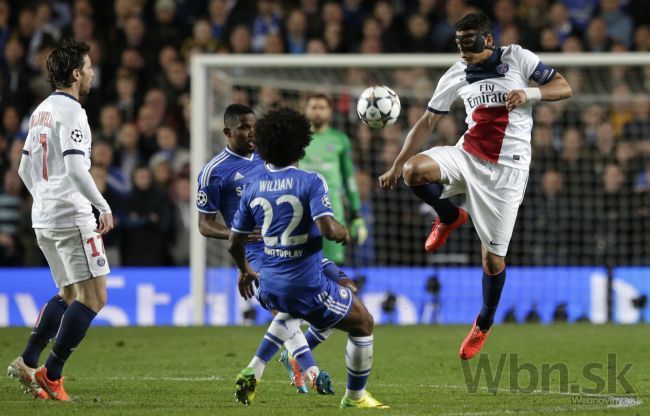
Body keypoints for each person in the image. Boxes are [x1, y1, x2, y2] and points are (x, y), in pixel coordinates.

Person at [379, 12, 572, 359]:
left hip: (507, 172)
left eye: (469, 42)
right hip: (466, 156)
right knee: (413, 171)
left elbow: (564, 86)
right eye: (459, 43)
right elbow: (426, 122)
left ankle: (483, 322)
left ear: (488, 39)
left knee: (493, 261)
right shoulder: (455, 73)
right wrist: (395, 163)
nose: (463, 50)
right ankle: (449, 215)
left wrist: (530, 94)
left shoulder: (517, 57)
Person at [229, 107, 387, 409]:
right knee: (363, 322)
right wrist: (343, 231)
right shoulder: (311, 181)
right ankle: (356, 397)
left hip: (269, 282)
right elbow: (327, 228)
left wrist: (245, 270)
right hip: (306, 283)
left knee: (296, 308)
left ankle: (255, 367)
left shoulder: (252, 188)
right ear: (302, 143)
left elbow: (234, 242)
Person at [196, 104, 348, 395]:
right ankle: (312, 371)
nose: (251, 132)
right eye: (243, 127)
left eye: (254, 125)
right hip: (257, 252)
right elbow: (204, 225)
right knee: (284, 306)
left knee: (346, 288)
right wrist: (238, 234)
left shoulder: (269, 157)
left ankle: (293, 356)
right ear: (228, 132)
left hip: (295, 245)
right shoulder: (214, 172)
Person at [7, 39, 114, 401]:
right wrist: (103, 206)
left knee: (69, 294)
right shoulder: (72, 111)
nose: (92, 72)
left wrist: (45, 198)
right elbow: (75, 168)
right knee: (95, 298)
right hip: (71, 215)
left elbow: (23, 167)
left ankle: (28, 359)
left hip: (45, 216)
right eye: (89, 66)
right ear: (75, 74)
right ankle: (51, 375)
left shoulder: (40, 111)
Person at [302, 94, 367, 264]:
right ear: (306, 110)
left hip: (333, 213)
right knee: (302, 268)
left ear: (330, 112)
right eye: (314, 107)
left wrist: (356, 214)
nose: (318, 112)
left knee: (332, 267)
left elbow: (349, 179)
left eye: (322, 108)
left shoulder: (340, 140)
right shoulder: (297, 139)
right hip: (301, 214)